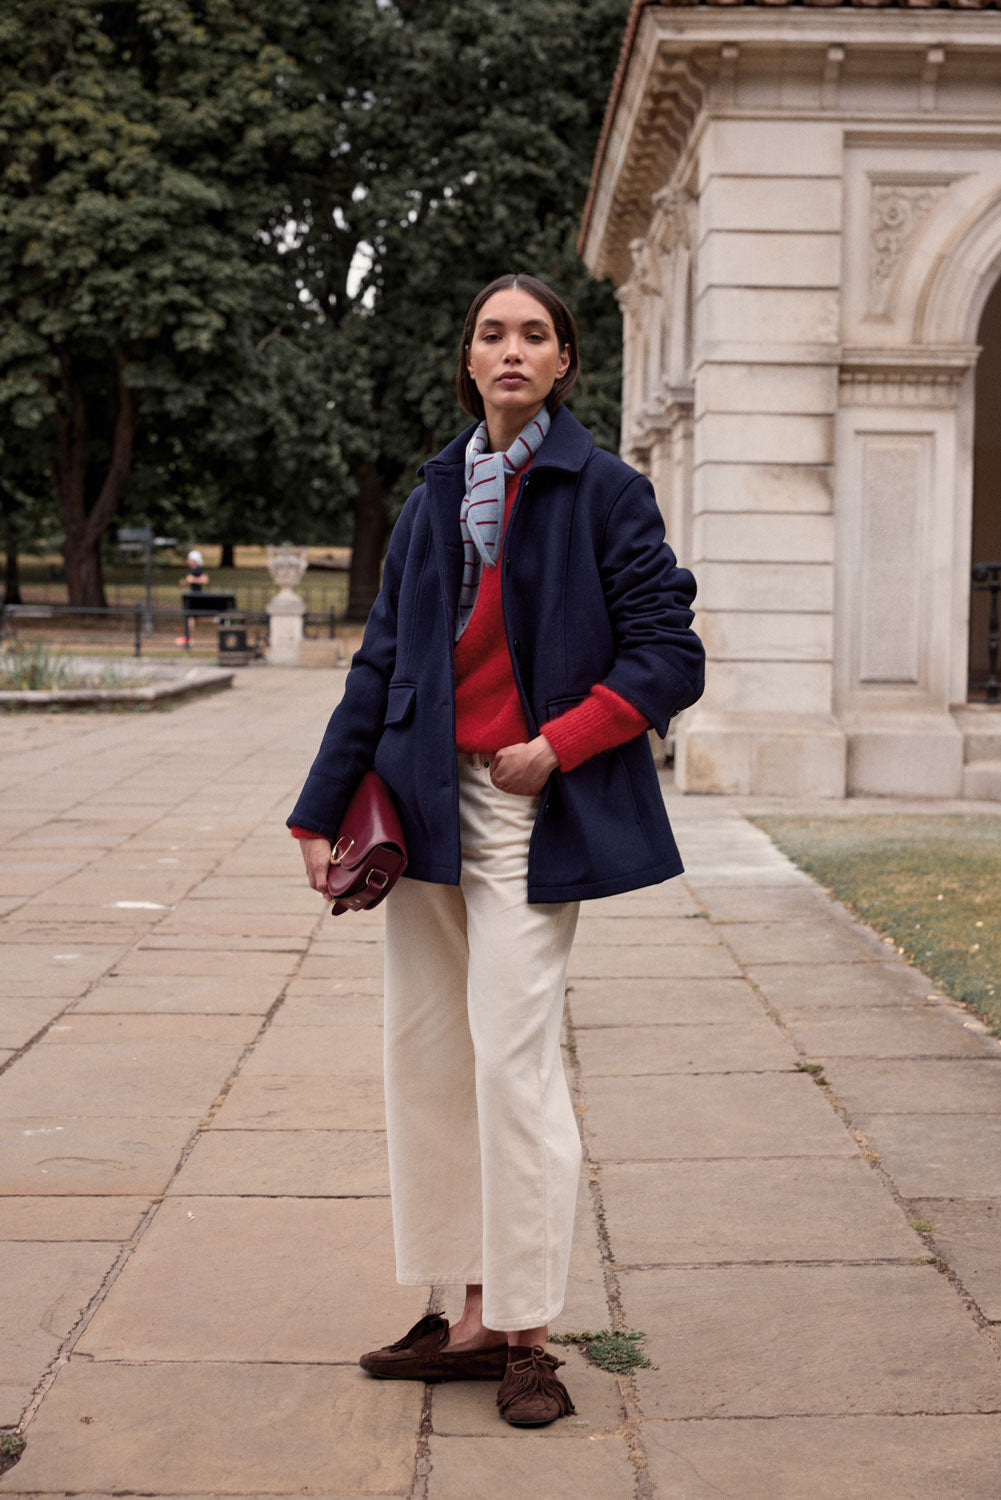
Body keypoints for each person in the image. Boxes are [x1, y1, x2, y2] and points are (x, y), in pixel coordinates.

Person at [288, 273, 704, 1427]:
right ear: (468, 360)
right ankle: (466, 1314)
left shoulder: (605, 490)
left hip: (529, 808)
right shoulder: (432, 495)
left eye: (533, 334)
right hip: (420, 804)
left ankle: (526, 1335)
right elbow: (379, 662)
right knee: (428, 1058)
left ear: (562, 361)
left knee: (512, 1060)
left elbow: (669, 655)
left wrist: (557, 746)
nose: (510, 349)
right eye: (490, 333)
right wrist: (318, 810)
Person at [177, 549, 209, 646]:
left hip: (196, 596)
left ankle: (188, 637)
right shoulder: (194, 570)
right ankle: (188, 637)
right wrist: (186, 582)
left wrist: (192, 580)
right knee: (191, 617)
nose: (187, 560)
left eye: (189, 559)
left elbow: (205, 580)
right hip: (193, 596)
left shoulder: (197, 570)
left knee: (191, 616)